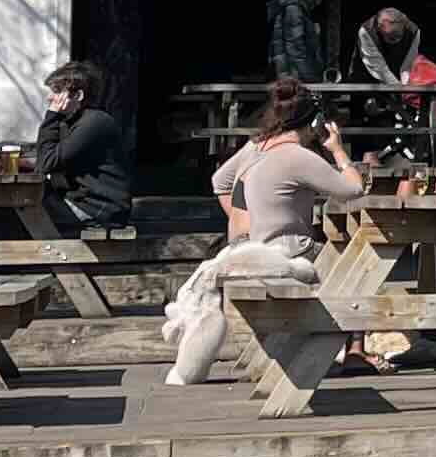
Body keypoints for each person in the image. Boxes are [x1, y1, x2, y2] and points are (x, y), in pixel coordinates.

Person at [163, 79, 364, 387]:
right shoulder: (299, 156)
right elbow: (354, 189)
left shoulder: (256, 147)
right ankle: (350, 353)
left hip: (251, 250)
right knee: (355, 271)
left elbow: (219, 181)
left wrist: (243, 221)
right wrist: (338, 150)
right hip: (290, 251)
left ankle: (322, 353)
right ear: (314, 122)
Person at [35, 61, 133, 232]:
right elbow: (47, 157)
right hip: (80, 202)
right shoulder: (73, 122)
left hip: (98, 211)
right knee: (16, 204)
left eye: (57, 91)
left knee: (17, 210)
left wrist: (51, 116)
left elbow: (46, 163)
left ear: (78, 96)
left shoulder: (95, 123)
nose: (49, 97)